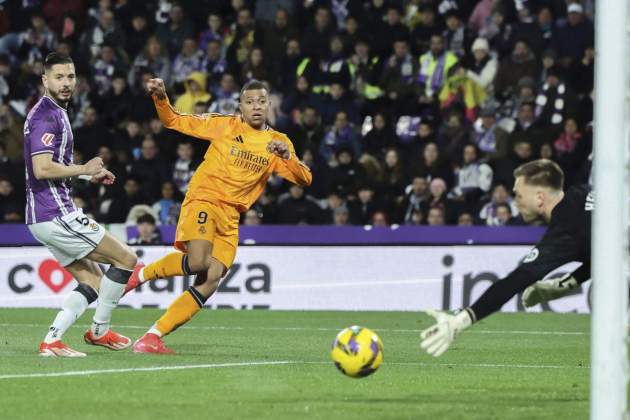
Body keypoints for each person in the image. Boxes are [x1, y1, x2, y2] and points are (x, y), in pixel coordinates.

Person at [127, 78, 312, 354]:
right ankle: (141, 273)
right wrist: (161, 98)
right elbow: (174, 121)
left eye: (261, 101)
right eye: (249, 102)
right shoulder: (224, 125)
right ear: (241, 107)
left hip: (231, 216)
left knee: (211, 279)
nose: (256, 107)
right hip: (205, 198)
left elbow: (305, 179)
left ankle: (152, 337)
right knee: (200, 261)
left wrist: (287, 157)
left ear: (269, 105)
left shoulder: (278, 143)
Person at [25, 53, 138, 357]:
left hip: (46, 214)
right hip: (55, 212)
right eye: (59, 77)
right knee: (126, 258)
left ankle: (52, 340)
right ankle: (99, 331)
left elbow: (51, 167)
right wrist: (85, 168)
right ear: (44, 80)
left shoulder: (55, 112)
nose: (66, 83)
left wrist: (90, 178)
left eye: (71, 77)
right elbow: (42, 169)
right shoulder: (45, 116)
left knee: (92, 280)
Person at [420, 159, 591, 357]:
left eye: (519, 196)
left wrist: (461, 320)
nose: (515, 202)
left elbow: (514, 282)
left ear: (540, 198)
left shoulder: (564, 231)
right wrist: (566, 283)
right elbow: (603, 254)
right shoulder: (584, 192)